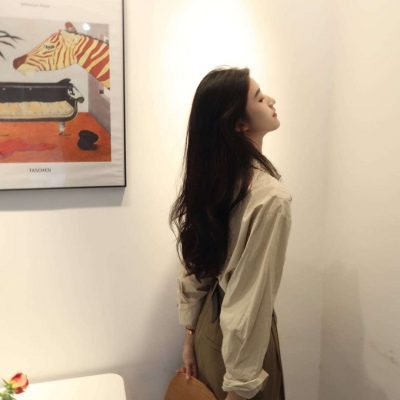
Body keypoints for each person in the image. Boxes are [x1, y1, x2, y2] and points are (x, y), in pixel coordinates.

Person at [170, 66, 292, 400]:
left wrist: (190, 335)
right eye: (259, 98)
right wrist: (240, 387)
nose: (271, 100)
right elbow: (249, 299)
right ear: (239, 123)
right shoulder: (270, 198)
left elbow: (195, 262)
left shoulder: (213, 179)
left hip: (209, 332)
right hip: (240, 352)